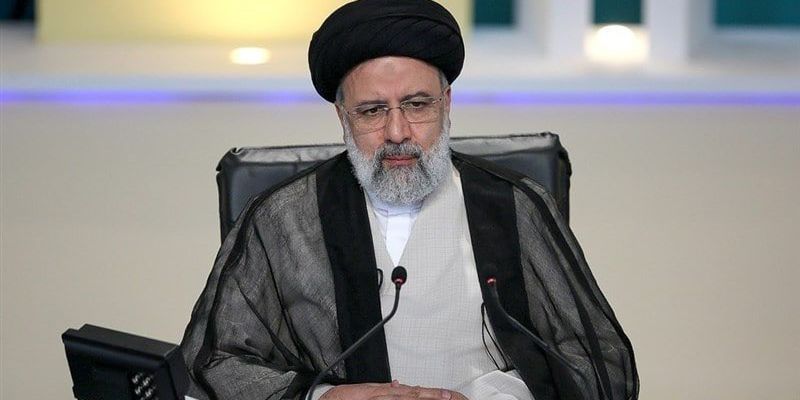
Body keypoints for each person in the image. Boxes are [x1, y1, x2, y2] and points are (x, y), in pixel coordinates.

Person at [180, 0, 638, 399]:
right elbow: (212, 362)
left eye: (417, 105)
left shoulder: (514, 205)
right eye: (372, 111)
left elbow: (599, 361)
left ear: (447, 103)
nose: (397, 132)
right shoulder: (283, 219)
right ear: (342, 116)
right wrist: (325, 397)